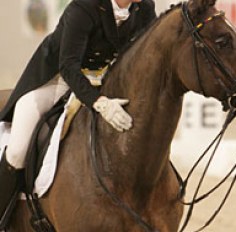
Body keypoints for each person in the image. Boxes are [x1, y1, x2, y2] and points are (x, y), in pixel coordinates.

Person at [0, 0, 156, 227]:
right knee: (17, 151)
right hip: (58, 81)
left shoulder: (144, 8)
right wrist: (99, 103)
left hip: (106, 81)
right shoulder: (85, 6)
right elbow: (69, 65)